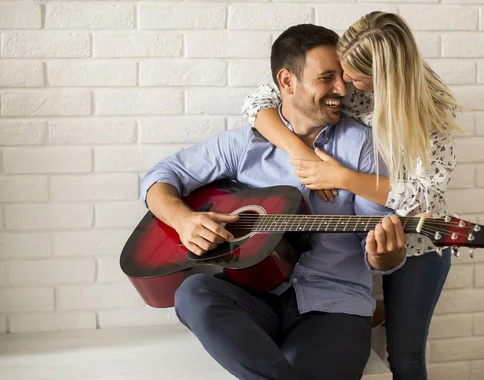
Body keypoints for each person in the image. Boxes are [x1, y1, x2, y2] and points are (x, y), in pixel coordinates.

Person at [140, 24, 410, 380]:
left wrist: (385, 255)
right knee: (193, 292)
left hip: (334, 305)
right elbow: (160, 176)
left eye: (343, 77)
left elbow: (373, 244)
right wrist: (183, 220)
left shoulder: (362, 147)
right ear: (287, 81)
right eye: (327, 78)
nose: (341, 90)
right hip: (253, 300)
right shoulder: (244, 144)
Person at [241, 11, 462, 379]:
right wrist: (303, 154)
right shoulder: (356, 92)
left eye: (353, 77)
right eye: (340, 73)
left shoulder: (434, 113)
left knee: (404, 356)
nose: (343, 86)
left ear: (385, 79)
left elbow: (423, 196)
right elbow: (260, 101)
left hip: (419, 243)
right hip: (361, 237)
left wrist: (342, 177)